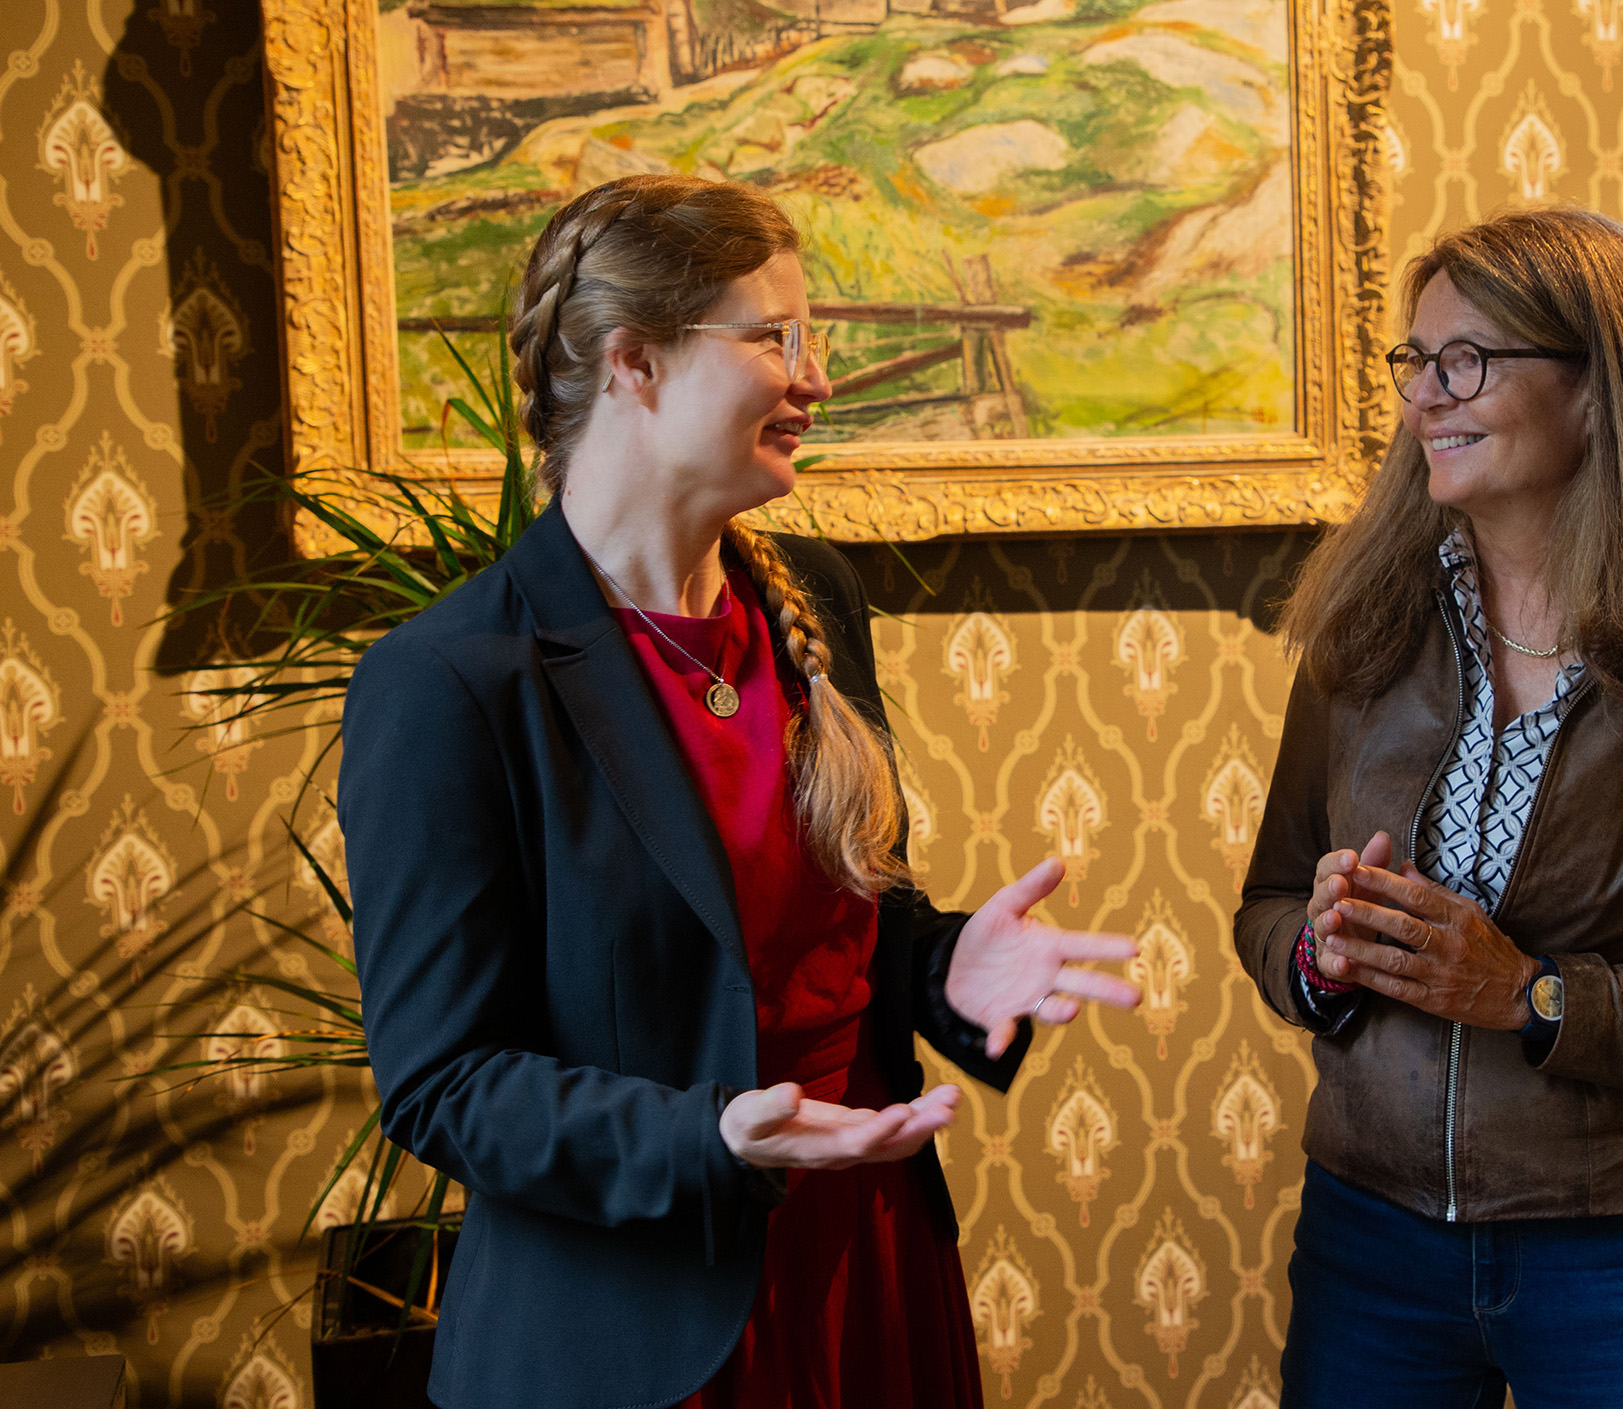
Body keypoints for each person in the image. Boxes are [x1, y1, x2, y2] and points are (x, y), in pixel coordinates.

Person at [340, 174, 1140, 1409]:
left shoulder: (812, 598)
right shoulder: (446, 679)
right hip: (634, 1325)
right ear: (635, 364)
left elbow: (829, 925)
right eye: (773, 338)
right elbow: (444, 1082)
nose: (814, 378)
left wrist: (939, 964)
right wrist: (707, 1138)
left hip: (865, 1260)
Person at [1233, 205, 1623, 1407]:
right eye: (1415, 360)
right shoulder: (1364, 626)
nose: (1423, 395)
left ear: (1598, 388)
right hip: (1370, 1238)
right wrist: (1318, 950)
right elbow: (1266, 897)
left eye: (1466, 359)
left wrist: (1535, 996)